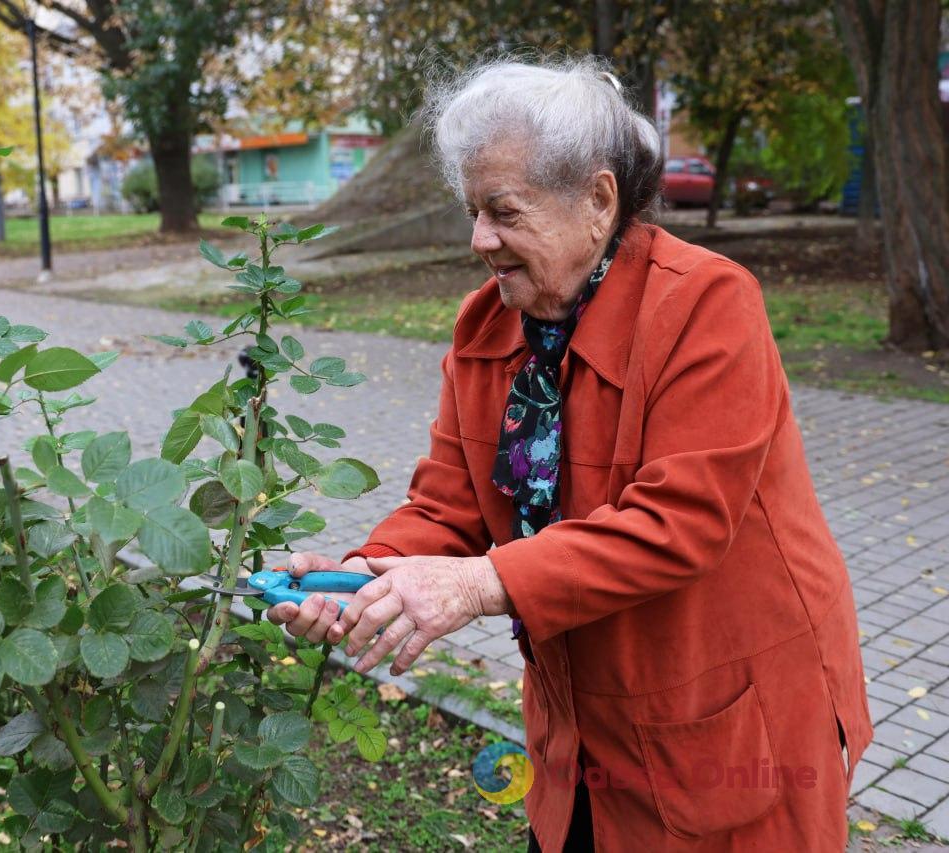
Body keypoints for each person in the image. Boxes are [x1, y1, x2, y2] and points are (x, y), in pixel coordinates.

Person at [267, 57, 872, 852]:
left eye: (503, 212)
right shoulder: (486, 324)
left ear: (598, 200)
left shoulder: (706, 304)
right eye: (473, 211)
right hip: (579, 721)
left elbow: (679, 521)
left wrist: (476, 584)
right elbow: (447, 506)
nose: (479, 240)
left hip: (727, 716)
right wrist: (364, 578)